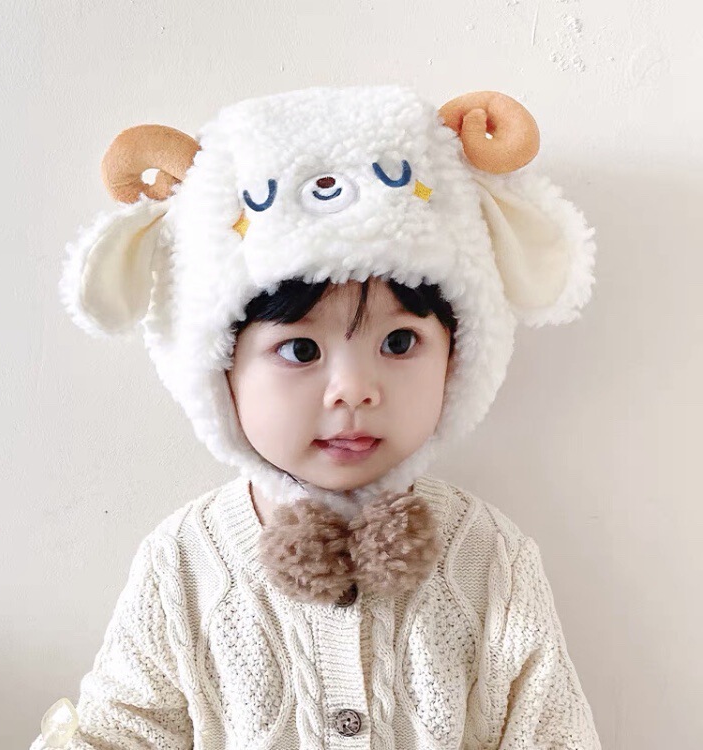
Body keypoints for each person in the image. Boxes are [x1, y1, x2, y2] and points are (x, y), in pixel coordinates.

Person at [31, 84, 602, 749]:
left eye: (399, 342)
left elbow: (552, 734)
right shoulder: (183, 565)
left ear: (459, 357)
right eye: (300, 350)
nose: (353, 391)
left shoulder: (491, 559)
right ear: (218, 371)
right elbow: (120, 732)